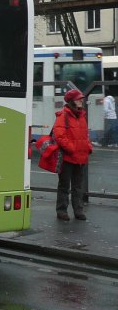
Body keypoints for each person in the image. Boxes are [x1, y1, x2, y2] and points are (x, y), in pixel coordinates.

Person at [53, 89, 93, 221]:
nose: (81, 100)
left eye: (81, 98)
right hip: (68, 157)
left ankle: (78, 210)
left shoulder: (82, 116)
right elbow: (59, 136)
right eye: (78, 99)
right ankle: (62, 211)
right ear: (71, 101)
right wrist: (72, 149)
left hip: (81, 157)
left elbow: (85, 135)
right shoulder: (63, 115)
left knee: (78, 186)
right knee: (64, 185)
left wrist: (88, 147)